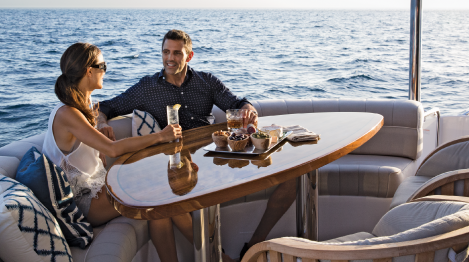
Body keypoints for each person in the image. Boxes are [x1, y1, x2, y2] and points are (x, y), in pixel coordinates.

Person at [96, 29, 297, 259]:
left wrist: (248, 110)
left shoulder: (206, 82)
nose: (170, 58)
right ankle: (223, 258)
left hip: (218, 159)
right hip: (180, 168)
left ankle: (253, 246)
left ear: (189, 56)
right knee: (167, 204)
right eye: (165, 52)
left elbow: (237, 102)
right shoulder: (147, 87)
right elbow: (106, 107)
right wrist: (102, 123)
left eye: (177, 53)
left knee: (291, 179)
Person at [43, 42, 195, 262]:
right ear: (89, 71)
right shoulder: (67, 113)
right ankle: (215, 254)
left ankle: (210, 253)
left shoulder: (83, 105)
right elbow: (112, 148)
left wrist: (100, 130)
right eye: (103, 66)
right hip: (84, 203)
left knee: (157, 197)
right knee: (159, 191)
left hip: (97, 184)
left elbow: (96, 149)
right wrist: (161, 136)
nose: (105, 71)